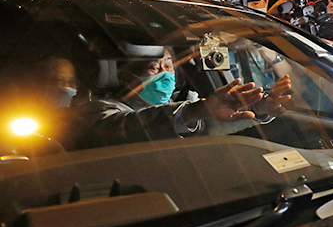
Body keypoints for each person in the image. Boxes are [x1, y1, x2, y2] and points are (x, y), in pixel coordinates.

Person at [67, 49, 292, 151]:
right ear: (127, 78)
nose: (166, 74)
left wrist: (261, 107)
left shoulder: (189, 101)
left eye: (169, 66)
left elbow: (212, 123)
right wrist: (197, 110)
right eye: (155, 68)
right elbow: (126, 126)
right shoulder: (101, 109)